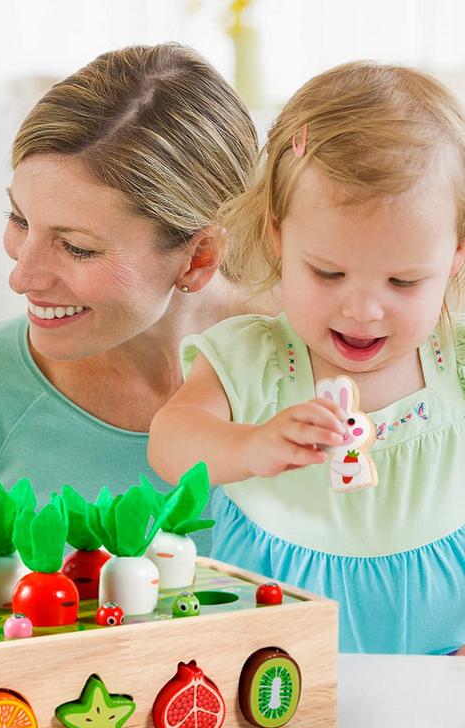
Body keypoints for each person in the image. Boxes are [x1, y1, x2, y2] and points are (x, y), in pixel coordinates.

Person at [0, 43, 263, 590]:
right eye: (19, 218)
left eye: (76, 247)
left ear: (198, 257)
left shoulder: (328, 361)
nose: (22, 277)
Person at [150, 62, 465, 655]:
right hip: (272, 657)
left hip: (442, 666)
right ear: (277, 236)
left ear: (455, 254)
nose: (364, 310)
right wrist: (249, 446)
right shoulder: (253, 357)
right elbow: (169, 443)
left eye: (403, 281)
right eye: (328, 272)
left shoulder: (458, 360)